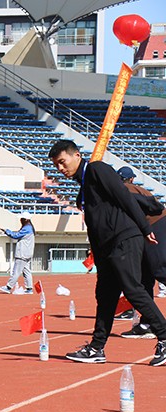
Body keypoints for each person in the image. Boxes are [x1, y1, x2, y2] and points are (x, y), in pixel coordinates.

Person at [49, 140, 166, 366]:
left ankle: (163, 335)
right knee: (105, 296)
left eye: (62, 162)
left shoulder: (96, 169)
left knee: (133, 289)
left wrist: (144, 227)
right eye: (56, 166)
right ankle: (96, 347)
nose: (60, 169)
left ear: (76, 155)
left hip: (124, 239)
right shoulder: (84, 188)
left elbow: (124, 196)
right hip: (106, 249)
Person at [115, 166, 166, 339]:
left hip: (155, 225)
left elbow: (154, 206)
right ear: (131, 179)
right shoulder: (132, 188)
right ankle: (147, 322)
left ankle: (148, 322)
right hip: (149, 227)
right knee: (145, 277)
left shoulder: (124, 190)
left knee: (159, 269)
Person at [0, 212, 36, 294]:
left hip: (22, 253)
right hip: (28, 253)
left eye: (22, 218)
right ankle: (29, 288)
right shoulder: (30, 228)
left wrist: (6, 231)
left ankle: (8, 287)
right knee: (26, 271)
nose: (20, 220)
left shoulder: (26, 228)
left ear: (25, 219)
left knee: (16, 271)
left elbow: (15, 235)